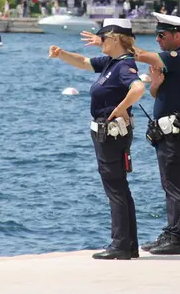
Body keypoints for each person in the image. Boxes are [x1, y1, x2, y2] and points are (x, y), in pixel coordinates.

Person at [84, 13, 180, 255]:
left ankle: (178, 237)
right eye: (156, 35)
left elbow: (140, 56)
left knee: (174, 185)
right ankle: (171, 233)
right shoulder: (175, 62)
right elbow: (159, 96)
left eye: (162, 35)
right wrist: (155, 85)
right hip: (168, 131)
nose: (157, 39)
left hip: (174, 131)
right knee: (169, 183)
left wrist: (117, 41)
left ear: (177, 36)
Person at [51, 19, 145, 260]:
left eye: (103, 38)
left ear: (114, 39)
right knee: (120, 188)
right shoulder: (112, 62)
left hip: (111, 134)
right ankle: (129, 245)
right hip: (109, 134)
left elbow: (138, 88)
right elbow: (83, 62)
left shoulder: (123, 66)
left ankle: (120, 246)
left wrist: (120, 109)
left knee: (115, 189)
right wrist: (62, 54)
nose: (99, 42)